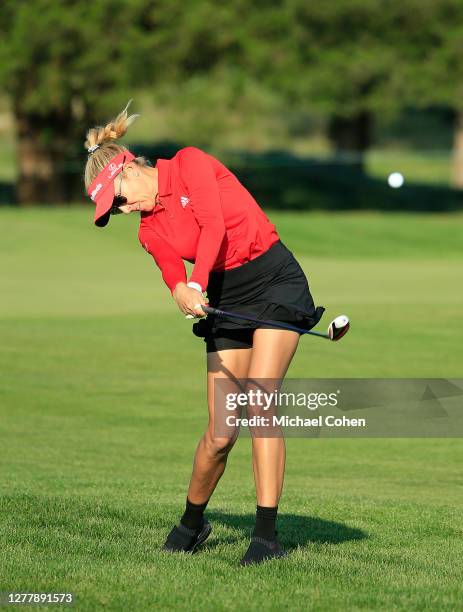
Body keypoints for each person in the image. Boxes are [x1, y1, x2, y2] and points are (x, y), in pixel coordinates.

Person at [83, 100, 325, 566]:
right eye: (112, 211)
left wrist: (196, 281)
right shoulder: (148, 232)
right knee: (220, 432)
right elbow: (174, 277)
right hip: (226, 299)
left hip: (274, 280)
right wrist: (183, 293)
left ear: (128, 170)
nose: (123, 209)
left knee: (260, 400)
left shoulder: (190, 162)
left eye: (116, 200)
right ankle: (191, 524)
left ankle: (266, 536)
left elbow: (213, 225)